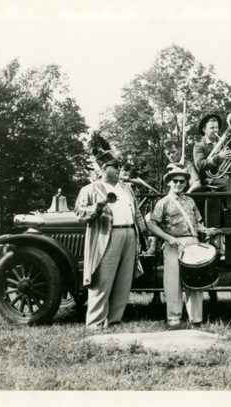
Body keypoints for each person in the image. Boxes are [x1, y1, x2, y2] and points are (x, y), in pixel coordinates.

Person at [74, 133, 146, 330]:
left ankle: (114, 321)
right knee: (102, 281)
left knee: (124, 282)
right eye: (115, 167)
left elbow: (136, 212)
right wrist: (96, 208)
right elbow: (79, 213)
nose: (119, 170)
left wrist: (143, 232)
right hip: (107, 236)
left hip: (130, 235)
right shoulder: (90, 189)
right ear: (105, 169)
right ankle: (95, 324)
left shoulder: (127, 189)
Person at [147, 165, 217, 328]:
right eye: (175, 181)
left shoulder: (190, 201)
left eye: (182, 181)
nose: (179, 184)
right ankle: (174, 318)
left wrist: (205, 229)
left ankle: (196, 318)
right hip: (173, 244)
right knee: (173, 283)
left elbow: (197, 223)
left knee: (195, 281)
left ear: (186, 183)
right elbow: (152, 224)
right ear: (169, 182)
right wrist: (168, 238)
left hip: (192, 243)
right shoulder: (163, 203)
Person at [193, 113, 231, 190]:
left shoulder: (222, 143)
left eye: (217, 127)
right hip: (208, 179)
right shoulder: (199, 146)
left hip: (223, 178)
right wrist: (219, 157)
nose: (215, 130)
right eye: (212, 128)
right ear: (204, 130)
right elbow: (200, 165)